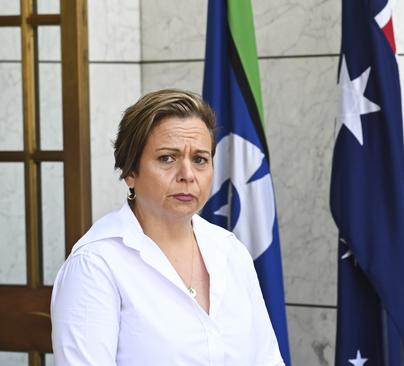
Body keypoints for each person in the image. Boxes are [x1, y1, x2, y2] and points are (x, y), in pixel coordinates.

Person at [51, 89, 284, 365]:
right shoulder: (95, 265)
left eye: (200, 159)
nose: (187, 175)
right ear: (130, 172)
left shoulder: (230, 250)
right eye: (167, 158)